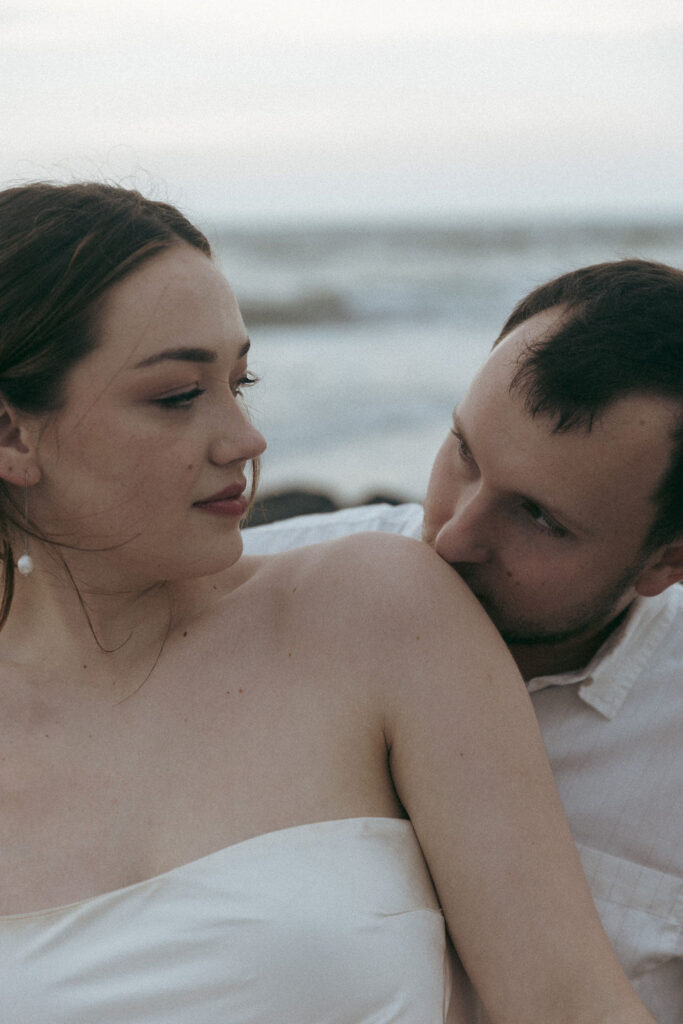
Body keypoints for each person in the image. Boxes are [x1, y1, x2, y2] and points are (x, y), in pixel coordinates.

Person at [0, 181, 656, 1024]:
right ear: (14, 436)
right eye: (176, 396)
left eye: (242, 381)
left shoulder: (376, 606)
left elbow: (567, 1003)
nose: (246, 439)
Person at [244, 258, 683, 1023]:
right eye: (463, 453)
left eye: (538, 518)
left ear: (666, 560)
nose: (450, 536)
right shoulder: (262, 595)